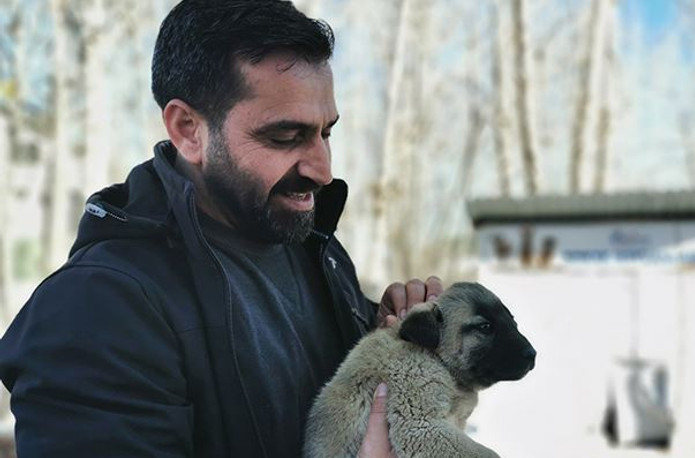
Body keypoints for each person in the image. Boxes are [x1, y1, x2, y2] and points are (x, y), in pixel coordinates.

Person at [0, 0, 442, 456]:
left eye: (325, 133)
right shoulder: (95, 309)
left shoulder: (311, 249)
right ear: (188, 128)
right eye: (285, 137)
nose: (322, 170)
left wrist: (387, 340)